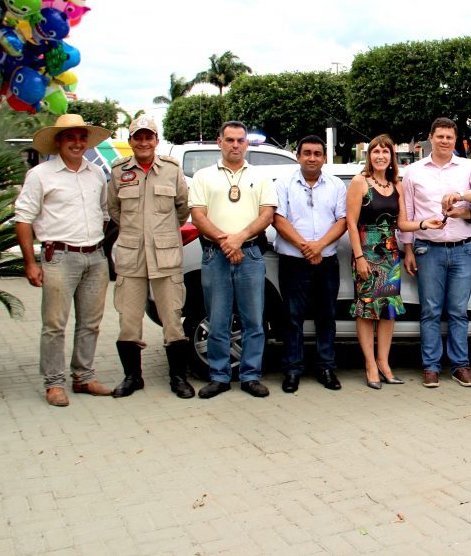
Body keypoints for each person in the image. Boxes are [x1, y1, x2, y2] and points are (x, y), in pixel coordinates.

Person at [13, 114, 113, 406]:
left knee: (91, 323)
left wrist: (92, 240)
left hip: (95, 256)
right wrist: (30, 262)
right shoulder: (41, 175)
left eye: (82, 137)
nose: (77, 143)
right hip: (59, 257)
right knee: (55, 324)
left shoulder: (95, 173)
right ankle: (54, 383)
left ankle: (83, 376)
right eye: (70, 137)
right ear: (59, 141)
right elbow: (23, 219)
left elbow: (104, 214)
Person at [402, 117, 471, 388]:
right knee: (430, 310)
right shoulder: (414, 171)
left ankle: (460, 365)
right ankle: (431, 367)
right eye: (440, 136)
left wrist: (461, 195)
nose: (445, 141)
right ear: (430, 137)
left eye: (449, 137)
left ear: (456, 141)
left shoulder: (468, 167)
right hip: (426, 249)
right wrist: (408, 249)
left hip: (462, 250)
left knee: (458, 311)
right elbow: (407, 213)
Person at [107, 115, 194, 399]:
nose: (143, 142)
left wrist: (162, 232)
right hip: (132, 256)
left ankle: (178, 378)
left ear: (157, 141)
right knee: (129, 320)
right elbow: (115, 211)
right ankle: (133, 377)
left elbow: (182, 208)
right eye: (138, 137)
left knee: (172, 318)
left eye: (149, 137)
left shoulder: (171, 170)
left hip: (166, 255)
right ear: (131, 141)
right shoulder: (119, 171)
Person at [347, 135, 443, 389]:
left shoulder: (395, 185)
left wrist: (424, 224)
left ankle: (384, 363)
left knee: (388, 312)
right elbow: (351, 224)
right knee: (367, 311)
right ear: (369, 156)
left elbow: (401, 224)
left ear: (392, 157)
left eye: (385, 152)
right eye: (376, 151)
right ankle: (370, 365)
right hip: (367, 252)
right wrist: (359, 257)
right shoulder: (359, 182)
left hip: (389, 253)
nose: (380, 156)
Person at [189, 121, 277, 399]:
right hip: (216, 254)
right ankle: (219, 376)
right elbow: (198, 215)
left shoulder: (260, 177)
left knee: (254, 320)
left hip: (250, 253)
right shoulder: (203, 176)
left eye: (240, 140)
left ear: (246, 144)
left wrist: (239, 238)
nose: (235, 145)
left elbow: (267, 214)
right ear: (219, 142)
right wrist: (225, 241)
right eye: (230, 140)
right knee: (217, 319)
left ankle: (250, 376)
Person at [273, 135, 348, 393]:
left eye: (317, 153)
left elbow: (342, 221)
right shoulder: (284, 184)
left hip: (326, 261)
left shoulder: (337, 185)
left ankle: (326, 367)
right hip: (294, 261)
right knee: (292, 318)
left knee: (326, 316)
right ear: (298, 155)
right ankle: (292, 370)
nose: (312, 158)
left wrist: (319, 246)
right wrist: (306, 246)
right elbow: (278, 219)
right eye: (307, 153)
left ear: (324, 158)